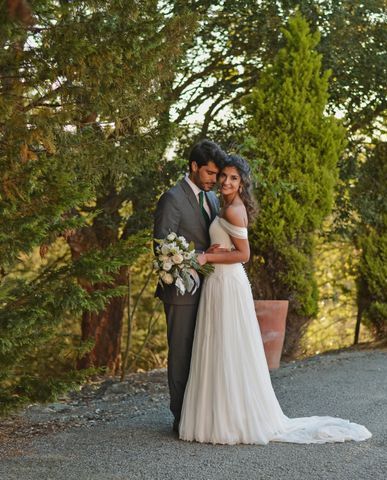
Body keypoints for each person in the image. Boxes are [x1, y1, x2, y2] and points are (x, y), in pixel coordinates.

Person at [179, 154, 372, 444]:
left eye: (234, 178)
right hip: (217, 282)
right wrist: (213, 250)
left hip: (228, 283)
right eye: (224, 176)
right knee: (217, 346)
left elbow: (244, 255)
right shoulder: (223, 206)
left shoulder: (234, 210)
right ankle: (216, 417)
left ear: (242, 184)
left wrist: (207, 256)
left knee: (230, 347)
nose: (227, 181)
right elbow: (229, 246)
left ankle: (232, 420)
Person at [153, 139, 227, 433]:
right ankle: (181, 419)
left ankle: (202, 415)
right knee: (182, 353)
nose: (214, 179)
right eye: (209, 173)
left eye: (216, 174)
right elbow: (162, 246)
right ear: (194, 166)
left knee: (205, 353)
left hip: (211, 290)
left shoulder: (211, 198)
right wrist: (195, 265)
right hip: (180, 292)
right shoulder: (172, 198)